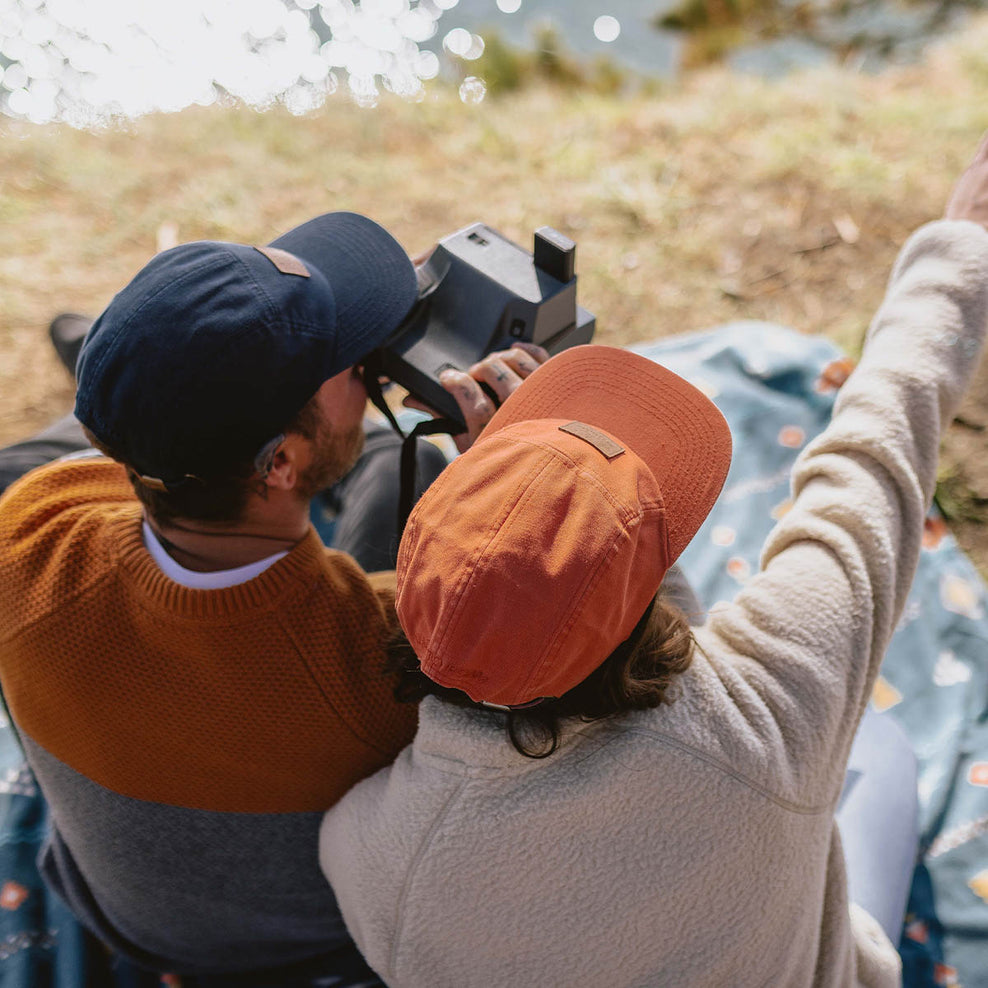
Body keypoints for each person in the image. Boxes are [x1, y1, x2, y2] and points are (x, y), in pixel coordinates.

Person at [318, 137, 988, 987]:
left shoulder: (368, 854)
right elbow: (880, 446)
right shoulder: (773, 714)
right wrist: (961, 244)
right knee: (882, 751)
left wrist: (501, 493)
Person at [0, 210, 548, 983]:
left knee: (42, 452)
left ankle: (119, 357)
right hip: (310, 948)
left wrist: (193, 376)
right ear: (282, 464)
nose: (368, 360)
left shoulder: (28, 535)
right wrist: (513, 469)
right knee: (407, 469)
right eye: (349, 359)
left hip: (122, 918)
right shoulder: (392, 658)